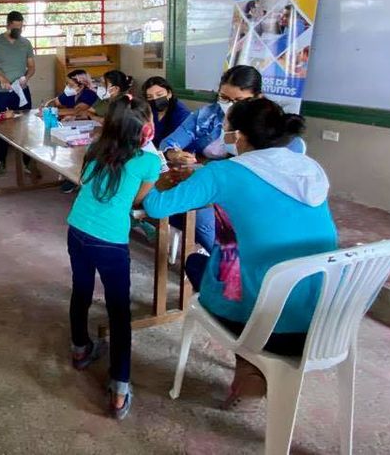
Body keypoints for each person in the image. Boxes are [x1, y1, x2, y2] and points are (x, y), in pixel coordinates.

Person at [144, 99, 338, 409]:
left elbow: (156, 207)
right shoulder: (308, 168)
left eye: (225, 128)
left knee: (199, 261)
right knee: (244, 256)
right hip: (327, 318)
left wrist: (152, 173)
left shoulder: (223, 173)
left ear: (239, 136)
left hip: (269, 326)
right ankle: (252, 369)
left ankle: (250, 370)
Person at [66, 97, 161, 420]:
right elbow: (137, 200)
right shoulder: (149, 162)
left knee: (81, 290)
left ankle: (80, 350)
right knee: (119, 312)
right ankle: (119, 389)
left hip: (77, 229)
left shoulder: (95, 148)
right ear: (145, 130)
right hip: (110, 241)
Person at [160, 65, 263, 252]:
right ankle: (223, 257)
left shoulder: (266, 122)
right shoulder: (208, 116)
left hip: (249, 187)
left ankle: (232, 258)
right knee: (200, 213)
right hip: (211, 181)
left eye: (239, 100)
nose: (230, 105)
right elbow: (169, 142)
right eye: (224, 98)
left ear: (258, 98)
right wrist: (174, 153)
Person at [0, 10, 39, 179]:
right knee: (2, 126)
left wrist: (26, 78)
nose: (18, 30)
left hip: (21, 91)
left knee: (26, 125)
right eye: (16, 27)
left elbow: (31, 67)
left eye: (21, 27)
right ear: (8, 25)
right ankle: (0, 161)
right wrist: (1, 79)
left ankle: (28, 162)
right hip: (1, 92)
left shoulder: (26, 43)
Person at [141, 76, 191, 148]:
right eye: (149, 97)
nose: (155, 99)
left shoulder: (181, 114)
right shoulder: (149, 109)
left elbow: (182, 142)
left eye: (159, 95)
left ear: (169, 94)